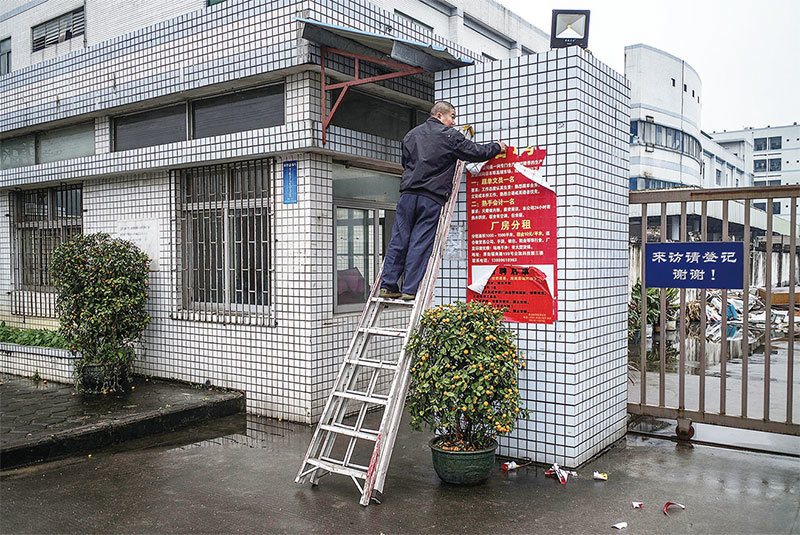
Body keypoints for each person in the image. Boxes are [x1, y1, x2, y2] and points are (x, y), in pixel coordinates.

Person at [379, 101, 507, 300]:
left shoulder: (410, 135)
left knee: (399, 238)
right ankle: (409, 289)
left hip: (407, 196)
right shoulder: (449, 136)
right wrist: (497, 147)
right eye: (452, 116)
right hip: (430, 198)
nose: (454, 122)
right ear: (439, 115)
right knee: (420, 241)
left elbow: (406, 163)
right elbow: (476, 153)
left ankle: (387, 285)